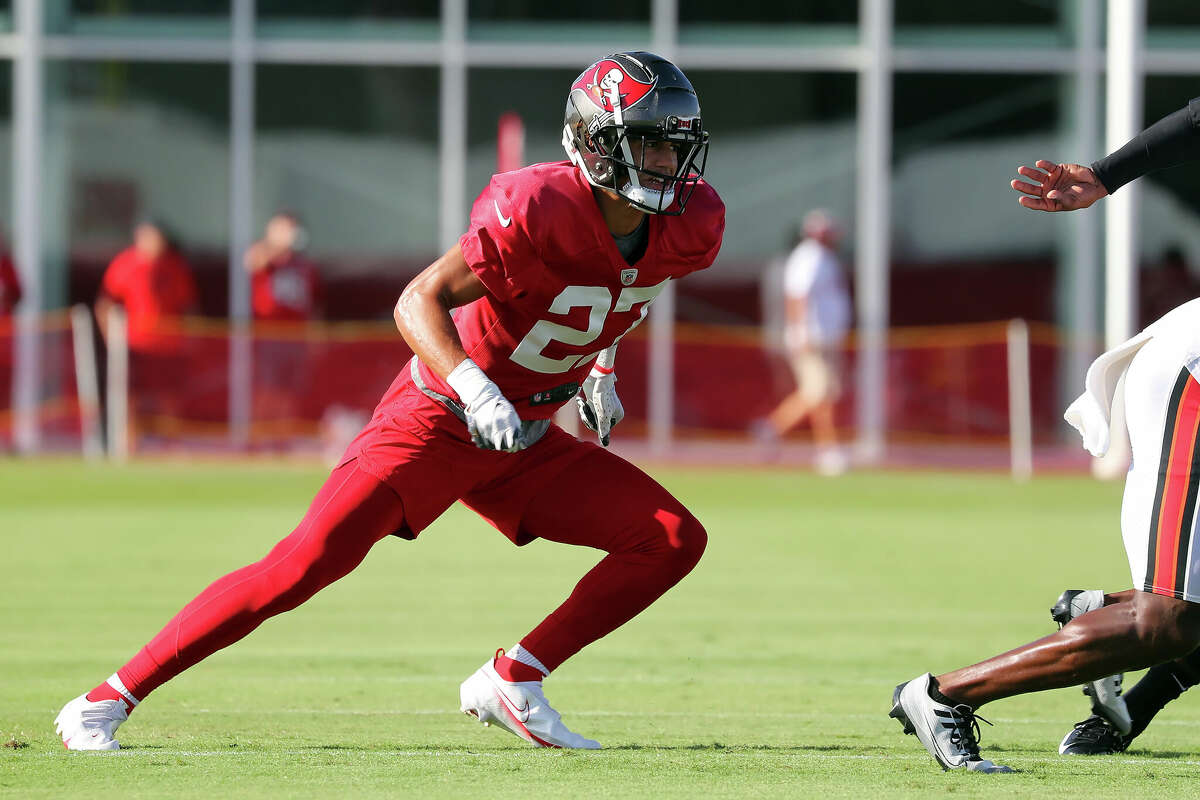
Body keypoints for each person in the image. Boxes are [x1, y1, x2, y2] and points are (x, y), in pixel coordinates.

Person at [55, 51, 723, 752]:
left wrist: (600, 372)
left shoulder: (691, 221)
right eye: (648, 140)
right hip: (439, 417)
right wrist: (473, 385)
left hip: (523, 436)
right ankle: (105, 700)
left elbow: (624, 284)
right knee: (304, 564)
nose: (667, 158)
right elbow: (418, 299)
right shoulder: (538, 206)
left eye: (674, 141)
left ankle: (515, 677)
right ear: (595, 144)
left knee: (671, 538)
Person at [889, 97, 1200, 773]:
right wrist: (1107, 174)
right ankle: (943, 696)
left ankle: (1110, 646)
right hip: (1196, 379)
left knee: (1170, 619)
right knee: (1164, 621)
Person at [760, 210, 851, 474]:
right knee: (818, 392)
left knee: (823, 394)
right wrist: (800, 332)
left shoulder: (824, 258)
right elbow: (797, 296)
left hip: (824, 337)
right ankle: (819, 447)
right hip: (811, 337)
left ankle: (778, 431)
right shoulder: (808, 257)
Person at [94, 219, 198, 439]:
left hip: (169, 346)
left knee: (169, 397)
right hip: (135, 345)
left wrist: (191, 339)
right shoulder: (125, 263)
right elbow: (105, 304)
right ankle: (128, 443)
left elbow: (188, 306)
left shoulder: (173, 266)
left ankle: (171, 443)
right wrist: (112, 339)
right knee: (131, 397)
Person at [243, 211, 323, 436]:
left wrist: (314, 337)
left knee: (291, 391)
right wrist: (276, 244)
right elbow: (252, 261)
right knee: (267, 389)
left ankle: (282, 436)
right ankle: (259, 435)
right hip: (270, 337)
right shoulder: (267, 258)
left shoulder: (305, 266)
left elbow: (313, 305)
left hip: (296, 338)